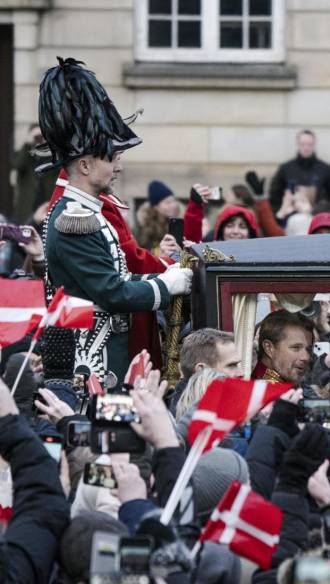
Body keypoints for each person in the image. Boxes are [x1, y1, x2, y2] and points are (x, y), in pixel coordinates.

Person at [37, 58, 191, 384]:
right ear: (85, 165)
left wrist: (161, 273)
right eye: (110, 158)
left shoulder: (90, 213)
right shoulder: (74, 220)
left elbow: (116, 275)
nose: (117, 168)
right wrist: (165, 285)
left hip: (107, 350)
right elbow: (112, 292)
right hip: (92, 359)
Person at [268, 129, 330, 213]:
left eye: (309, 144)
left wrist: (319, 207)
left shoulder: (325, 169)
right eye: (303, 144)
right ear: (298, 144)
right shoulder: (286, 168)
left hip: (319, 214)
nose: (306, 147)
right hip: (292, 215)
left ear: (314, 145)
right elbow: (274, 195)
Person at [11, 124, 59, 224]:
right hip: (27, 206)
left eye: (41, 136)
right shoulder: (25, 153)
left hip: (46, 203)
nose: (38, 139)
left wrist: (48, 144)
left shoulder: (50, 154)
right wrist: (28, 144)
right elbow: (18, 165)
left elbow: (59, 166)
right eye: (36, 137)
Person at [254, 310, 314, 383]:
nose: (306, 357)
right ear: (269, 348)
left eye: (309, 349)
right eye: (296, 348)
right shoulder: (260, 390)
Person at [135, 179, 181, 251]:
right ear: (156, 207)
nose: (173, 205)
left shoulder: (180, 224)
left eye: (173, 200)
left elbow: (187, 260)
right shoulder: (143, 230)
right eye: (167, 202)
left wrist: (180, 255)